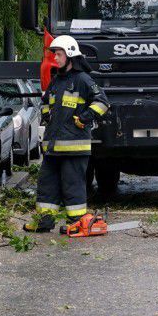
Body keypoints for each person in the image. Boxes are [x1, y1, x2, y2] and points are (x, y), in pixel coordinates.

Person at [24, 35, 110, 235]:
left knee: (73, 187)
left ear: (70, 55)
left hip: (74, 146)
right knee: (46, 185)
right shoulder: (56, 81)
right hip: (53, 147)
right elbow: (46, 102)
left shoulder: (83, 80)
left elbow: (103, 102)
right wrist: (47, 116)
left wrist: (85, 117)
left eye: (59, 54)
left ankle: (77, 223)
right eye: (54, 54)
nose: (55, 58)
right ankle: (44, 222)